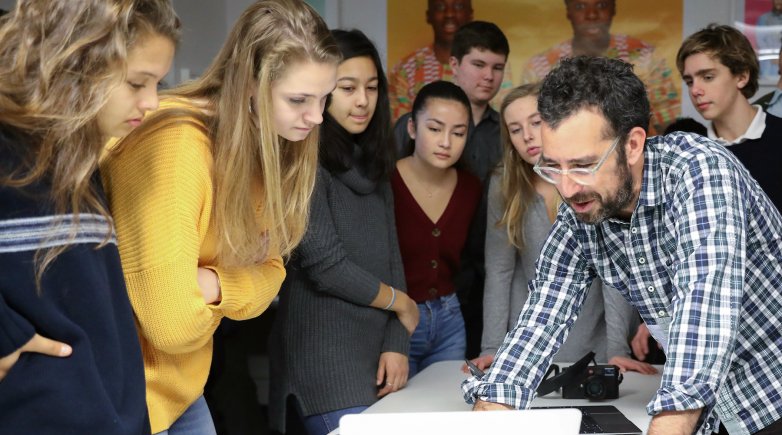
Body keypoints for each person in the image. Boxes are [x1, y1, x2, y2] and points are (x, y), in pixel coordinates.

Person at [462, 55, 782, 435]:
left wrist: (671, 421)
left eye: (582, 166)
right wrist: (496, 401)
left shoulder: (700, 171)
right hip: (706, 408)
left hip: (769, 390)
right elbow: (544, 312)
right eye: (552, 167)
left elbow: (704, 305)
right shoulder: (582, 206)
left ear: (632, 145)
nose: (565, 188)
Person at [100, 1, 340, 433]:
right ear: (249, 83)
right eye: (299, 99)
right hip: (124, 397)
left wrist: (211, 283)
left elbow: (273, 272)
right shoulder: (176, 146)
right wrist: (235, 277)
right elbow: (172, 324)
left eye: (325, 98)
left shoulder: (270, 145)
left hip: (182, 390)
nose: (317, 116)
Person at [0, 0, 178, 433]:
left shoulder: (81, 156)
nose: (152, 102)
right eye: (138, 82)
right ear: (75, 60)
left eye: (157, 83)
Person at [268, 29, 418, 435]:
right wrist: (399, 303)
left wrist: (396, 343)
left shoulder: (374, 165)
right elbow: (324, 263)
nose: (363, 100)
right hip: (324, 363)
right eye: (347, 87)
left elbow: (393, 259)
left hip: (378, 360)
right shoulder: (302, 160)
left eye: (371, 88)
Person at [466, 84, 655, 375]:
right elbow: (500, 272)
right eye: (515, 130)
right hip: (529, 342)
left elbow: (613, 272)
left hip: (597, 339)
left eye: (536, 123)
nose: (527, 136)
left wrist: (618, 348)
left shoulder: (591, 176)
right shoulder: (504, 184)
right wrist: (492, 348)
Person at [395, 20, 509, 360]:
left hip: (476, 286)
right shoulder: (404, 135)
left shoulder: (505, 132)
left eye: (497, 68)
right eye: (478, 64)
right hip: (408, 297)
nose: (488, 76)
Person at [392, 80, 481, 376]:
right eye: (434, 129)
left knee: (448, 410)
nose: (446, 142)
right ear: (412, 129)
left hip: (449, 321)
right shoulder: (384, 183)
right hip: (396, 323)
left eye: (458, 133)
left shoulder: (471, 188)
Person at [521, 0, 680, 134]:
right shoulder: (539, 67)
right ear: (568, 11)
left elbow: (668, 124)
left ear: (613, 8)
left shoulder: (646, 58)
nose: (592, 15)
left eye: (601, 5)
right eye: (580, 7)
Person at [677, 24, 782, 212]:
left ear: (741, 76)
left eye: (708, 77)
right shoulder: (690, 155)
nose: (695, 90)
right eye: (689, 81)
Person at [387, 0, 512, 122]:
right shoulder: (406, 68)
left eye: (459, 6)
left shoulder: (503, 130)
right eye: (440, 7)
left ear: (470, 13)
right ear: (454, 64)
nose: (450, 14)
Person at [755, 0, 782, 78]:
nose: (778, 2)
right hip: (769, 63)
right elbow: (760, 40)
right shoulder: (763, 18)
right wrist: (772, 56)